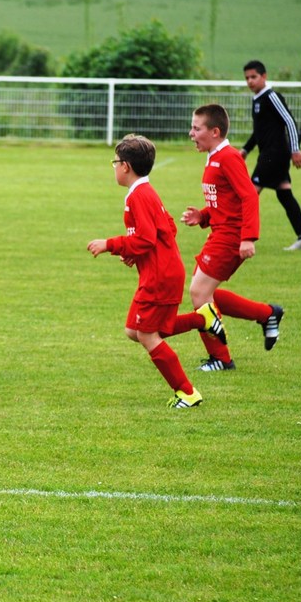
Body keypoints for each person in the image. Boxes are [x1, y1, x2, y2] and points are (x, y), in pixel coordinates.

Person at [87, 134, 228, 409]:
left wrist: (110, 245)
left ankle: (187, 392)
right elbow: (168, 228)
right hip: (162, 271)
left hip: (159, 276)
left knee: (147, 335)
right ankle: (202, 318)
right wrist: (134, 252)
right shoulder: (144, 192)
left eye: (115, 162)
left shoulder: (139, 196)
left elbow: (146, 238)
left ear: (125, 166)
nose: (114, 167)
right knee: (133, 330)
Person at [182, 104, 285, 371]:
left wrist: (248, 238)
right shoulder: (214, 156)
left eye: (196, 128)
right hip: (220, 233)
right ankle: (267, 314)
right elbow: (225, 201)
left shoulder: (228, 157)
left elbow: (249, 195)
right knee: (205, 293)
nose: (191, 133)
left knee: (199, 293)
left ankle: (221, 359)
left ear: (215, 132)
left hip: (230, 237)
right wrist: (203, 216)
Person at [241, 60, 301, 251]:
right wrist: (246, 149)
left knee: (249, 194)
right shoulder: (257, 99)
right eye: (247, 78)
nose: (250, 81)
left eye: (254, 77)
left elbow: (289, 121)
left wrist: (295, 149)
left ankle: (238, 238)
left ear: (264, 76)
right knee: (285, 194)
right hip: (271, 154)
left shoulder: (272, 96)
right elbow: (260, 131)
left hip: (274, 155)